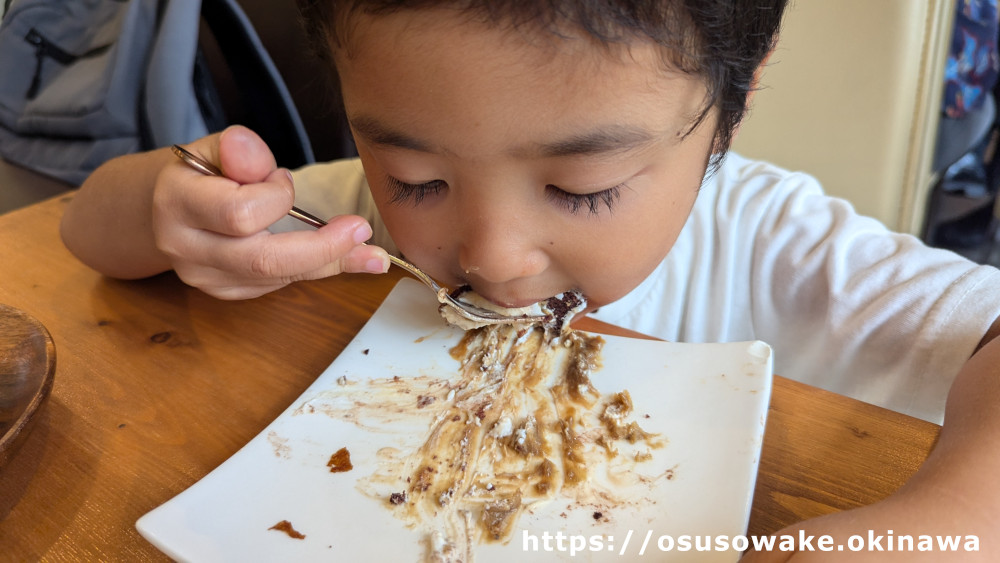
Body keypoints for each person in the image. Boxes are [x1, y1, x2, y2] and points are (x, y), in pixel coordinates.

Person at [60, 0, 999, 559]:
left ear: (730, 107)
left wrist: (956, 517)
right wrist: (168, 206)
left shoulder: (776, 242)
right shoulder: (347, 218)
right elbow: (82, 228)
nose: (493, 254)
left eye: (580, 187)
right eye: (417, 177)